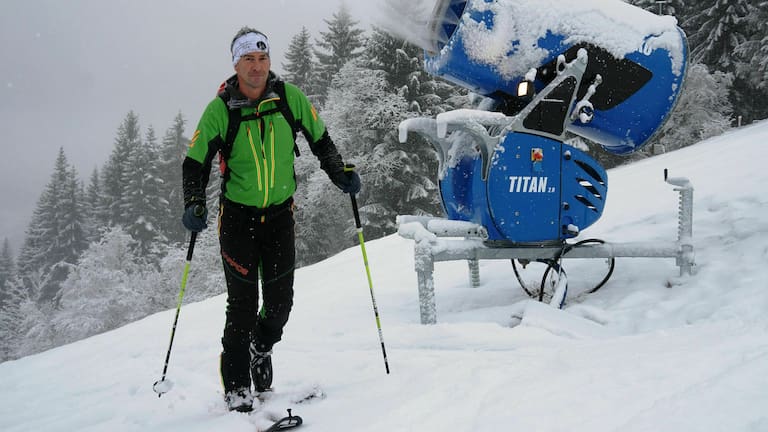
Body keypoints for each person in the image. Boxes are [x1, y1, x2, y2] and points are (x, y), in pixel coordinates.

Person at [181, 27, 361, 412]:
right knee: (242, 307)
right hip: (238, 221)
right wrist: (194, 202)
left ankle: (260, 348)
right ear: (236, 64)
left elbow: (321, 140)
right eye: (249, 59)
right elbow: (194, 163)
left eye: (262, 58)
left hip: (280, 218)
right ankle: (236, 387)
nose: (258, 67)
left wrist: (339, 173)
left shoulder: (288, 98)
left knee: (280, 304)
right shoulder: (220, 110)